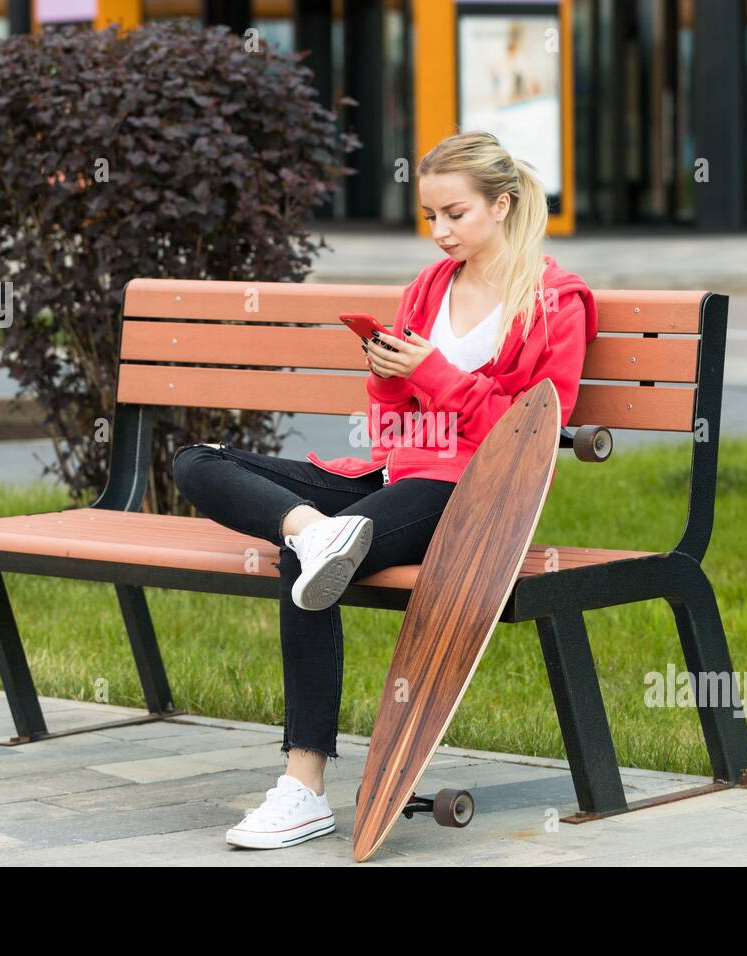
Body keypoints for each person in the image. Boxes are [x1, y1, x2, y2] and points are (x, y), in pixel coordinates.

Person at [172, 129, 598, 849]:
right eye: (429, 215)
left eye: (454, 214)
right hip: (393, 474)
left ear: (500, 204)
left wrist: (431, 375)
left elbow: (528, 434)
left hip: (474, 494)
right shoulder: (428, 289)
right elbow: (390, 417)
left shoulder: (555, 302)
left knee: (300, 568)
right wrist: (386, 372)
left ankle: (301, 788)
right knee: (196, 461)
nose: (439, 232)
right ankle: (312, 527)